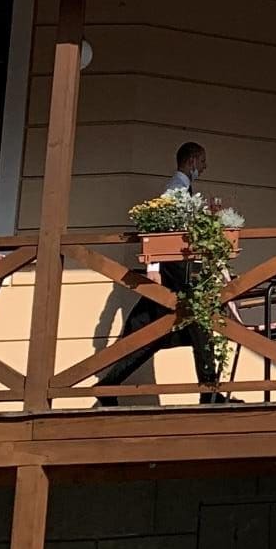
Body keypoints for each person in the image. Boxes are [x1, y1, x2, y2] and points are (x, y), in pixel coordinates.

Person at [94, 140, 230, 403]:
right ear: (192, 161)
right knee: (195, 324)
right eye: (202, 161)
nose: (205, 167)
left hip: (180, 271)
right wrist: (153, 267)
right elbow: (156, 229)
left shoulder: (184, 190)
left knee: (152, 333)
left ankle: (109, 387)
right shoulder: (174, 190)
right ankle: (209, 393)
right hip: (175, 273)